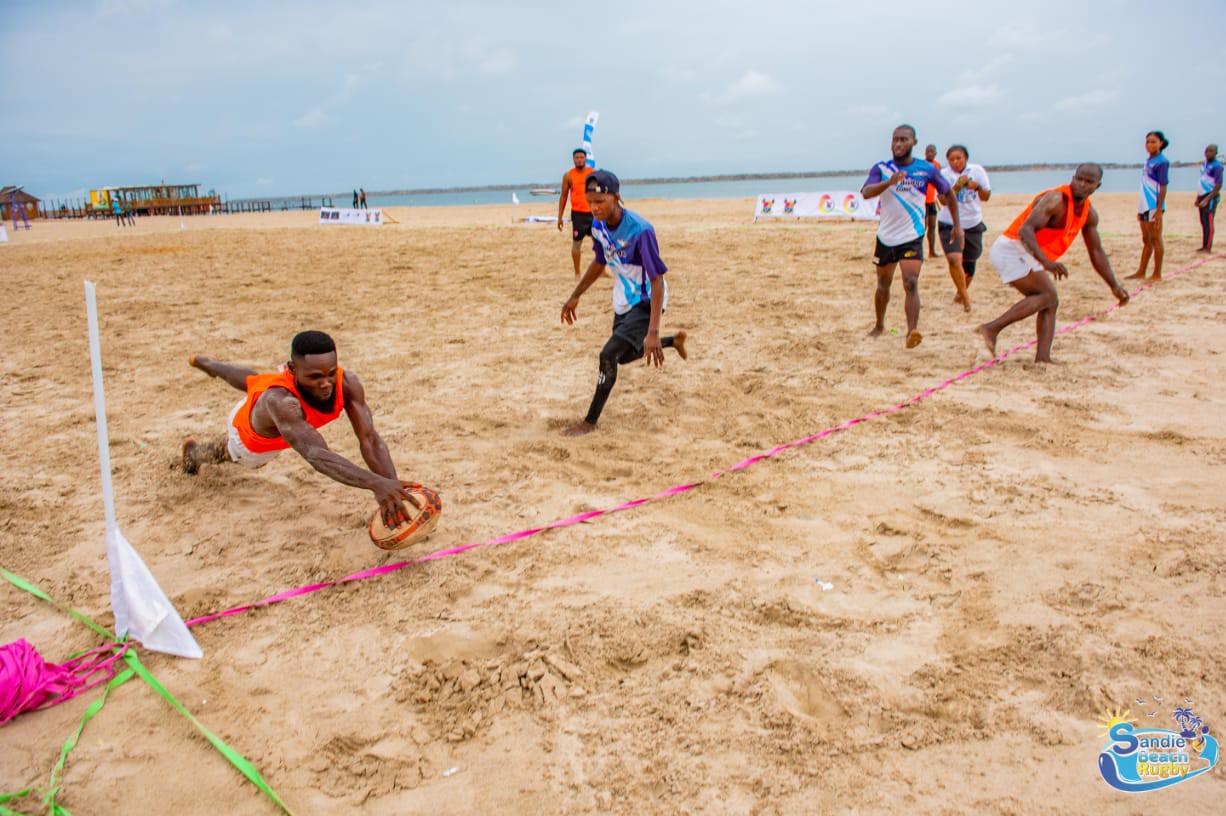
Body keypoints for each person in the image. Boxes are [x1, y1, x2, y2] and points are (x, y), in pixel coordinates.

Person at [181, 330, 418, 528]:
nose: (325, 383)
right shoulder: (281, 402)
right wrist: (376, 483)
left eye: (330, 373)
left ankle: (210, 365)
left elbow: (370, 440)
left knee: (256, 381)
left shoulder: (347, 382)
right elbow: (317, 455)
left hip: (264, 397)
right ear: (292, 369)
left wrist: (391, 488)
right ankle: (194, 454)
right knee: (226, 452)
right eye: (315, 377)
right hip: (248, 437)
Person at [560, 170, 687, 436]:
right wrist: (575, 295)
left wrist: (652, 330)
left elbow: (657, 281)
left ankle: (589, 422)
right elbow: (600, 261)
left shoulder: (641, 231)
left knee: (607, 355)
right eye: (590, 202)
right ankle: (672, 341)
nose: (594, 208)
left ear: (616, 198)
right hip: (622, 300)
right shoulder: (598, 226)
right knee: (625, 355)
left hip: (646, 300)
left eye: (600, 202)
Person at [976, 164, 1130, 364]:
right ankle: (990, 329)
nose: (1081, 185)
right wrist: (1047, 263)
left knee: (1051, 301)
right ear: (1073, 178)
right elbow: (1025, 231)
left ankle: (1043, 359)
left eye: (1088, 182)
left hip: (1028, 252)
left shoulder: (1089, 213)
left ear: (1097, 186)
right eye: (1079, 179)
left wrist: (1114, 285)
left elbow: (1096, 251)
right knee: (1047, 295)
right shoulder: (1056, 200)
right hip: (1011, 248)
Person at [861, 125, 961, 348]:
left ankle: (911, 331)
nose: (898, 144)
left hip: (912, 235)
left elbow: (948, 193)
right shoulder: (882, 168)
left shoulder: (926, 169)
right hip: (886, 237)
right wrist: (889, 182)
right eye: (895, 139)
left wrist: (957, 225)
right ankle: (879, 324)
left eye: (903, 139)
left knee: (911, 282)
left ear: (914, 142)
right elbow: (866, 192)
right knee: (883, 285)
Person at [937, 144, 991, 311]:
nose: (955, 162)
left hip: (973, 222)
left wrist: (977, 187)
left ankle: (961, 292)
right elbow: (943, 201)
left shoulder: (977, 171)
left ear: (965, 158)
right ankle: (966, 299)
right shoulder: (943, 175)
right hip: (949, 223)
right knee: (954, 259)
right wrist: (958, 186)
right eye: (951, 159)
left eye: (958, 158)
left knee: (970, 264)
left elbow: (986, 196)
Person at [1127, 130, 1170, 281]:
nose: (1149, 145)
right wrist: (1140, 208)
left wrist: (1159, 210)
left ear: (1161, 143)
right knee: (1146, 239)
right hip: (1144, 204)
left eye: (1153, 142)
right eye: (1147, 142)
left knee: (1156, 239)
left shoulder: (1162, 162)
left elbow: (1163, 186)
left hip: (1153, 205)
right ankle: (1141, 271)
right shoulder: (1148, 161)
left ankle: (1157, 274)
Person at [557, 148, 595, 278]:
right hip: (578, 215)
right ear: (573, 159)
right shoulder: (568, 175)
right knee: (577, 243)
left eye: (581, 157)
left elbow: (599, 194)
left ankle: (601, 271)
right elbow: (563, 196)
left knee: (599, 242)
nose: (579, 160)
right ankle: (577, 272)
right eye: (577, 157)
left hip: (593, 213)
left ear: (585, 159)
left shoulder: (592, 174)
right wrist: (560, 217)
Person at [1196, 143, 1222, 253]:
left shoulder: (1217, 166)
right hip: (1202, 195)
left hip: (1210, 196)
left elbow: (1218, 184)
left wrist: (1207, 199)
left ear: (1216, 153)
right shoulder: (1205, 165)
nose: (1208, 153)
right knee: (1203, 222)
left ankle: (1208, 247)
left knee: (1209, 222)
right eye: (1206, 151)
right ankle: (1204, 245)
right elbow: (1203, 181)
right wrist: (1198, 198)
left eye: (1211, 151)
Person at [923, 144, 943, 258]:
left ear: (935, 153)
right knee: (923, 227)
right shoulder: (922, 165)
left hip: (932, 200)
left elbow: (938, 181)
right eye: (927, 151)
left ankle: (932, 251)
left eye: (931, 152)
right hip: (922, 201)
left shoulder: (937, 165)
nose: (929, 153)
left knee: (932, 227)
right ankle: (919, 253)